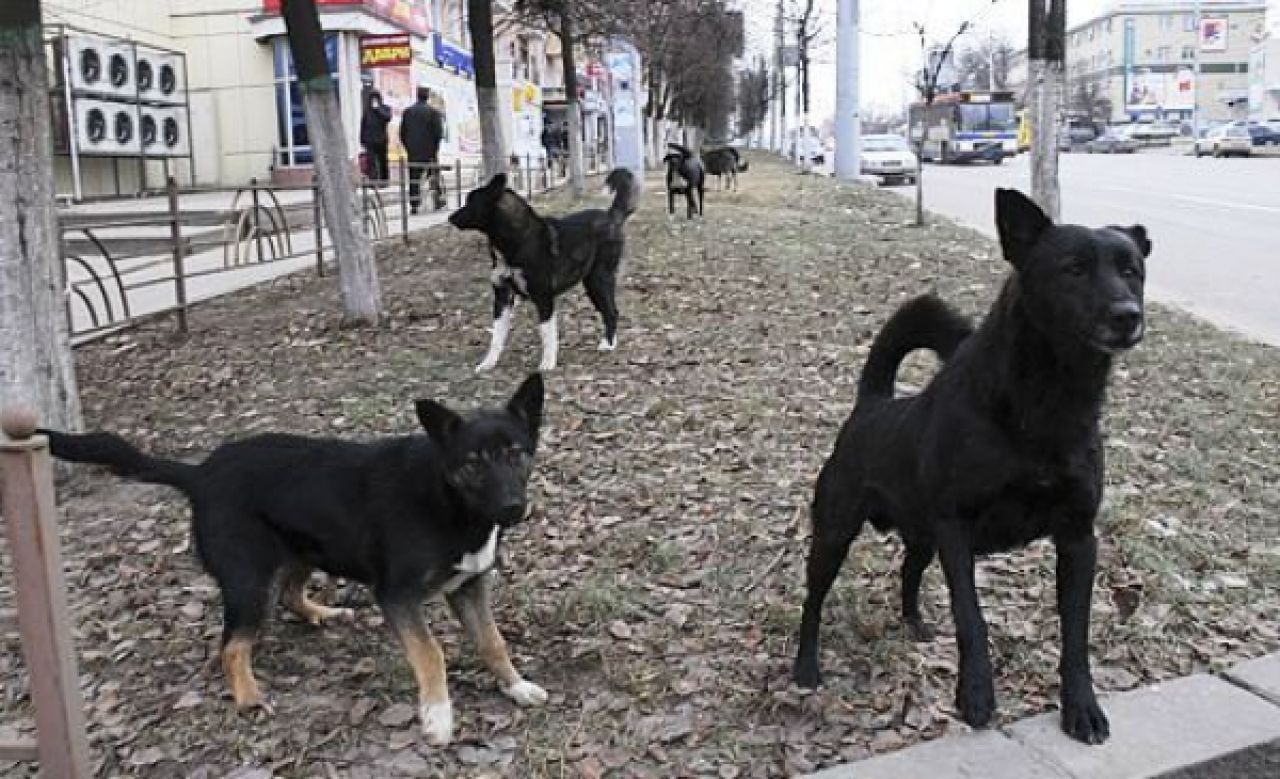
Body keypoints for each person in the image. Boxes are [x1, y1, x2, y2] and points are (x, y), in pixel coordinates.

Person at [399, 86, 446, 213]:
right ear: (427, 96)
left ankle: (414, 204)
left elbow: (402, 133)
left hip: (413, 152)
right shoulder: (433, 112)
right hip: (430, 152)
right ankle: (437, 200)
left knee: (414, 178)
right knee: (433, 176)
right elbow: (438, 133)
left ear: (417, 95)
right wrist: (434, 149)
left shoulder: (408, 112)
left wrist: (409, 147)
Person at [360, 89, 392, 184]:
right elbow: (363, 125)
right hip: (370, 140)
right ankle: (373, 181)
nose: (373, 101)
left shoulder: (385, 108)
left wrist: (378, 108)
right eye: (372, 99)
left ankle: (384, 181)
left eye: (376, 98)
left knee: (383, 161)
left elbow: (387, 118)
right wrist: (362, 139)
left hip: (381, 140)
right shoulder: (367, 111)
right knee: (371, 161)